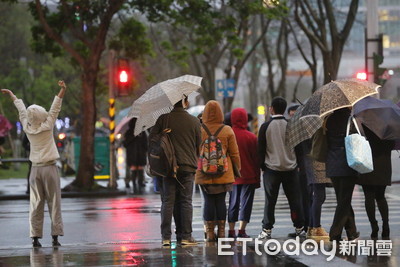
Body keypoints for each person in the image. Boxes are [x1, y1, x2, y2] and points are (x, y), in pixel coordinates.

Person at [1, 81, 66, 248]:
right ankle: (55, 236)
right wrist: (62, 89)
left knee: (36, 204)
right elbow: (55, 107)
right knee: (54, 203)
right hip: (50, 168)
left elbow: (22, 111)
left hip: (35, 170)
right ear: (41, 115)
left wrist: (13, 96)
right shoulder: (48, 125)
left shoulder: (27, 128)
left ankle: (35, 237)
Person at [150, 96, 201, 247]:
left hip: (168, 167)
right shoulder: (194, 121)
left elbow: (152, 139)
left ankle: (166, 237)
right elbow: (199, 144)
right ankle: (185, 236)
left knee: (168, 201)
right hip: (188, 166)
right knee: (185, 201)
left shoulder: (163, 119)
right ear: (184, 102)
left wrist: (163, 134)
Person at [257, 97, 304, 239]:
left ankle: (267, 229)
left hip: (271, 169)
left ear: (271, 108)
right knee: (294, 200)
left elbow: (260, 149)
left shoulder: (265, 127)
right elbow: (299, 148)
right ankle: (299, 228)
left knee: (270, 201)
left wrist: (262, 167)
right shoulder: (291, 125)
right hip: (291, 169)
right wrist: (299, 165)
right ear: (284, 109)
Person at [195, 100, 240, 242]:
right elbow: (234, 153)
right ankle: (221, 232)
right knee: (221, 202)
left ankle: (209, 233)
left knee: (208, 201)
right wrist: (237, 170)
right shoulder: (227, 130)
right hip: (224, 173)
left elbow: (195, 151)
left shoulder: (199, 130)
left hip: (203, 172)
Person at [325, 108, 359, 242]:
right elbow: (357, 139)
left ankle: (352, 232)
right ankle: (335, 232)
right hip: (347, 164)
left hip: (333, 164)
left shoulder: (328, 121)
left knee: (343, 200)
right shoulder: (351, 120)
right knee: (344, 201)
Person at [357, 126, 395, 239]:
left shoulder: (364, 125)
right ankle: (386, 225)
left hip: (367, 163)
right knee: (381, 196)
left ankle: (374, 226)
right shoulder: (388, 127)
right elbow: (391, 145)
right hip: (383, 165)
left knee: (368, 196)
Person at [228, 108, 259, 238]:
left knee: (233, 203)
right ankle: (242, 230)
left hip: (232, 176)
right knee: (246, 203)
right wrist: (257, 178)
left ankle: (231, 230)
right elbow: (256, 159)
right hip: (249, 175)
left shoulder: (228, 135)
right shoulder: (251, 137)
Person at [123, 118, 147, 194]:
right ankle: (137, 184)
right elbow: (146, 144)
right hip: (139, 154)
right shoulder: (141, 133)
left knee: (135, 169)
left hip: (132, 154)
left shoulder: (128, 133)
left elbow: (125, 144)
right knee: (139, 169)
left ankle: (136, 185)